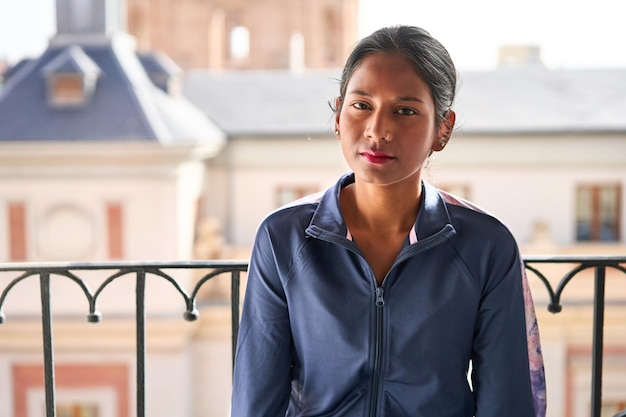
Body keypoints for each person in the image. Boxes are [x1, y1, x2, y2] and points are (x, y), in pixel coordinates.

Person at [231, 25, 546, 417]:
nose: (378, 130)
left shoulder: (486, 246)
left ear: (442, 129)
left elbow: (508, 402)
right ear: (338, 114)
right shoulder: (283, 238)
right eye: (362, 105)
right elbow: (255, 401)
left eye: (405, 111)